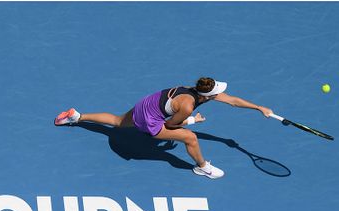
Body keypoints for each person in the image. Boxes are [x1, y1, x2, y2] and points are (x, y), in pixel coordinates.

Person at [54, 77, 273, 179]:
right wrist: (192, 122)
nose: (220, 95)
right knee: (190, 139)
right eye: (217, 93)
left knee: (118, 121)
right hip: (151, 119)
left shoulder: (193, 90)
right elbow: (170, 125)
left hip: (147, 104)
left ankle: (76, 116)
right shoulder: (187, 106)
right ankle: (202, 167)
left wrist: (258, 107)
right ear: (208, 96)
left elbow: (232, 100)